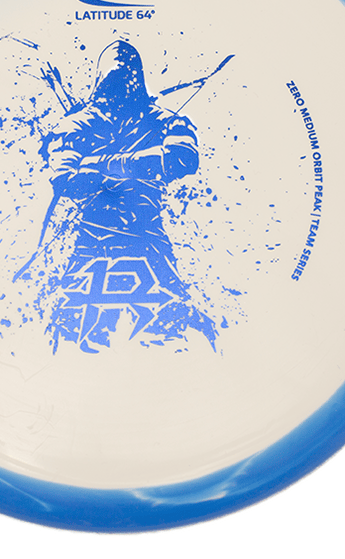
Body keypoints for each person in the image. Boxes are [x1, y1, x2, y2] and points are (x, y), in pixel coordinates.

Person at [32, 39, 218, 353]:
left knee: (176, 329)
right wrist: (129, 166)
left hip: (147, 234)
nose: (120, 90)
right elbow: (65, 180)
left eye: (126, 79)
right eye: (113, 81)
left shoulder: (167, 120)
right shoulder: (75, 125)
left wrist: (105, 164)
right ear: (101, 82)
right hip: (93, 239)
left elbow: (184, 158)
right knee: (69, 332)